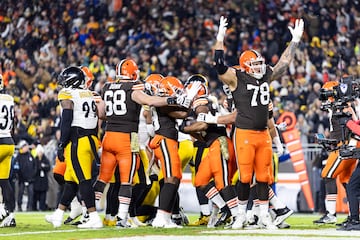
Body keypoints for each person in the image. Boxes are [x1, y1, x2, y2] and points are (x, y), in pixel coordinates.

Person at [212, 16, 304, 229]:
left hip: (263, 133)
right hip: (244, 133)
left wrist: (295, 41)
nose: (259, 67)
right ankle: (241, 215)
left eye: (260, 63)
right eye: (254, 65)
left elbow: (283, 65)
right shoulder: (237, 78)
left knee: (264, 177)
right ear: (245, 67)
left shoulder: (265, 76)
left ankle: (263, 215)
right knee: (245, 177)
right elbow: (218, 64)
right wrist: (220, 37)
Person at [92, 59, 196, 228]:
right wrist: (173, 99)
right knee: (127, 181)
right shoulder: (133, 88)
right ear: (133, 73)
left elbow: (102, 114)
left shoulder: (107, 87)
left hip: (108, 136)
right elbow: (151, 101)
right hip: (126, 138)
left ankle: (89, 215)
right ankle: (122, 219)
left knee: (103, 179)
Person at [45, 66, 102, 229]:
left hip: (78, 140)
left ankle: (93, 216)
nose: (62, 82)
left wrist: (62, 143)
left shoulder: (67, 93)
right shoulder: (88, 94)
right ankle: (58, 214)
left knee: (83, 180)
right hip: (91, 138)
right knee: (70, 180)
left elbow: (66, 119)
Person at [0, 74, 16, 227]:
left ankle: (1, 212)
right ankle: (10, 215)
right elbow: (14, 121)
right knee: (4, 181)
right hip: (8, 142)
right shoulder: (9, 99)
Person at [14, 140, 36, 212]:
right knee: (20, 193)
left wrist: (33, 175)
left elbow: (34, 166)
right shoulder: (18, 156)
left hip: (30, 179)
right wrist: (20, 176)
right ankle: (19, 206)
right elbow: (16, 168)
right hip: (21, 179)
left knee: (31, 193)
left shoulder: (30, 155)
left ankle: (29, 207)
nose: (26, 148)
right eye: (25, 146)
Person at [33, 144, 51, 211]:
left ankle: (42, 207)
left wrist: (43, 167)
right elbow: (33, 169)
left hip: (43, 180)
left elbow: (48, 167)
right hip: (37, 180)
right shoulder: (35, 160)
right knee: (35, 195)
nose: (40, 153)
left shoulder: (45, 159)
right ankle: (34, 208)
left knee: (43, 195)